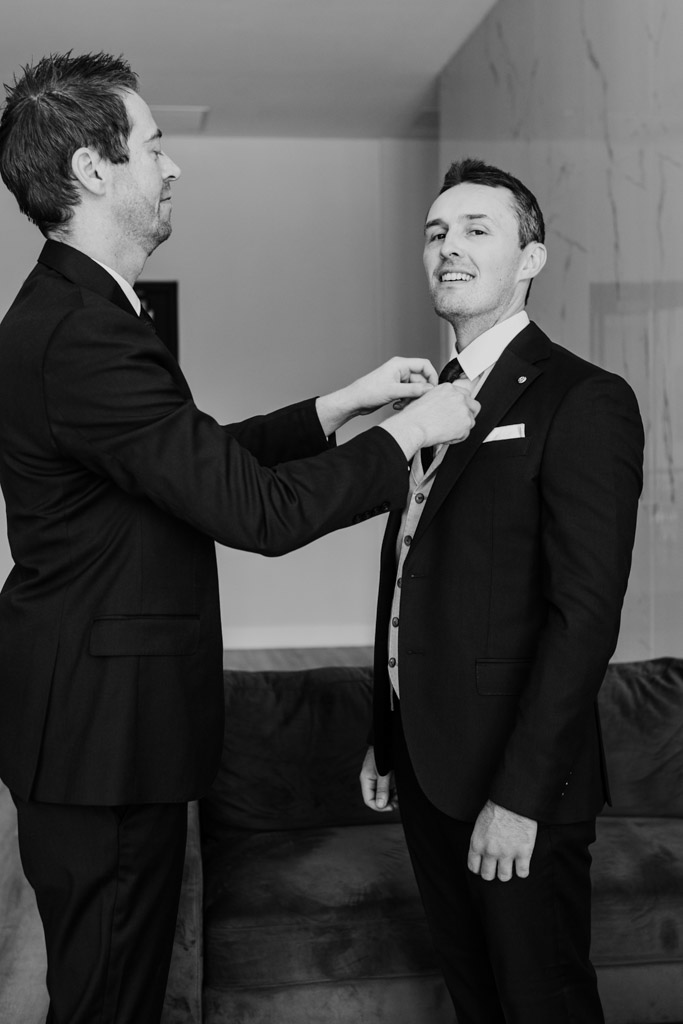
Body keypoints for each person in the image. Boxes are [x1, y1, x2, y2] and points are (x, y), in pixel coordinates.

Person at [0, 53, 479, 1024]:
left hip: (96, 725)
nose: (172, 168)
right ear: (93, 170)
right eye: (155, 146)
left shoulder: (79, 312)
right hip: (101, 738)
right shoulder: (83, 331)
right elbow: (251, 513)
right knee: (106, 1000)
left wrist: (339, 407)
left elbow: (194, 464)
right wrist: (407, 436)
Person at [360, 158, 644, 1023]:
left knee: (540, 1004)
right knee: (475, 999)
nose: (449, 247)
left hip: (516, 786)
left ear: (530, 260)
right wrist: (385, 730)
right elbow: (413, 564)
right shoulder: (426, 400)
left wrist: (519, 798)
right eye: (436, 233)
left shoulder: (584, 400)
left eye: (478, 229)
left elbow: (584, 616)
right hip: (426, 766)